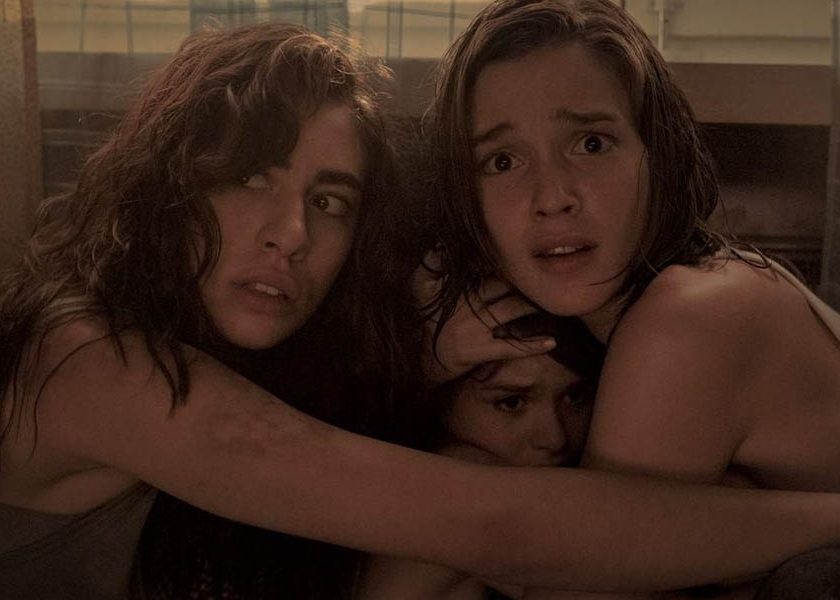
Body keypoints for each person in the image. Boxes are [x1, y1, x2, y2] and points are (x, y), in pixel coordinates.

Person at [3, 16, 840, 600]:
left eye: (329, 201)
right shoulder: (85, 362)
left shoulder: (699, 311)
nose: (290, 234)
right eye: (248, 178)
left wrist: (421, 357)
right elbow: (495, 529)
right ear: (168, 185)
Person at [427, 0, 840, 596]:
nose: (552, 197)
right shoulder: (693, 289)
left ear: (659, 154)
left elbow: (574, 582)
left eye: (591, 144)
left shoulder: (692, 317)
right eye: (503, 161)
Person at [360, 312, 604, 599]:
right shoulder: (455, 483)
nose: (555, 438)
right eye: (511, 402)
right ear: (441, 406)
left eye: (575, 397)